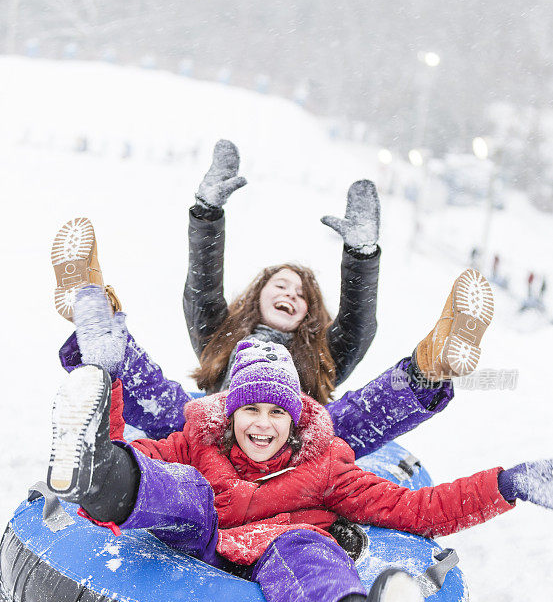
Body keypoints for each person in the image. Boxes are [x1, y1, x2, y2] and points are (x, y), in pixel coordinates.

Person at [47, 339, 553, 602]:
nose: (261, 424)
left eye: (275, 412)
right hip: (199, 539)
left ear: (294, 419)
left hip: (281, 551)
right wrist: (106, 393)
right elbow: (140, 458)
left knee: (310, 551)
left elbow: (414, 508)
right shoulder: (195, 443)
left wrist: (506, 485)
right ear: (230, 413)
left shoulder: (326, 466)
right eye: (250, 409)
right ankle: (92, 473)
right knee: (183, 489)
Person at [52, 151, 494, 454]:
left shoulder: (321, 352)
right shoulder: (223, 334)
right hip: (213, 433)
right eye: (280, 285)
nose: (290, 294)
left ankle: (434, 360)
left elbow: (358, 324)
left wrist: (361, 256)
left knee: (345, 424)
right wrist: (207, 212)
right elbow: (202, 289)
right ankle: (91, 308)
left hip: (296, 448)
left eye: (302, 295)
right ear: (257, 295)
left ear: (311, 314)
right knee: (169, 407)